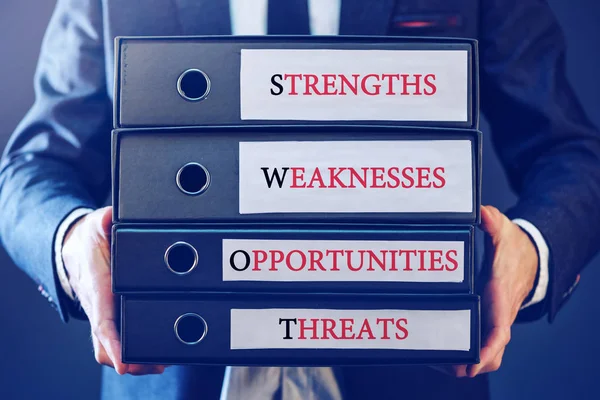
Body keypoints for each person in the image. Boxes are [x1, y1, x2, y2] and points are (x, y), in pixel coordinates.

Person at [1, 0, 599, 399]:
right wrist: (73, 243)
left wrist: (534, 253)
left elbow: (569, 152)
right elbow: (34, 164)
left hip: (416, 376)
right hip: (175, 373)